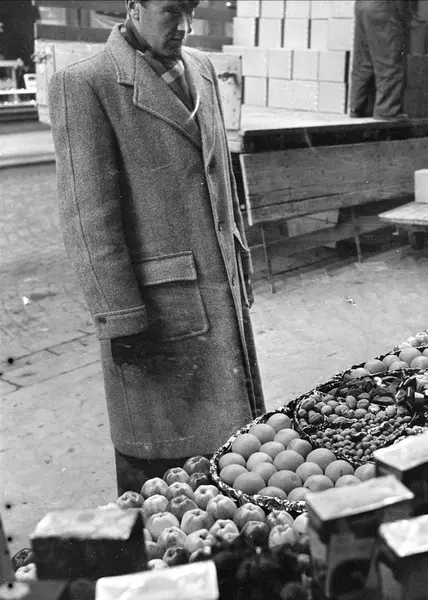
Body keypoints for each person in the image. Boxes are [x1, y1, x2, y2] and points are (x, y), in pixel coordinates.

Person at [48, 0, 266, 495]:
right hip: (157, 313)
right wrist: (119, 317)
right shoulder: (85, 84)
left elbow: (222, 181)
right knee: (164, 480)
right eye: (171, 11)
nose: (185, 26)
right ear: (134, 8)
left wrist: (240, 261)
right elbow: (87, 218)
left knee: (234, 464)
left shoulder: (202, 69)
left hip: (220, 295)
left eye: (191, 10)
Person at [349, 0, 415, 120]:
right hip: (385, 6)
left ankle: (359, 107)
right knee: (389, 60)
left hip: (362, 5)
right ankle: (387, 111)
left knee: (364, 60)